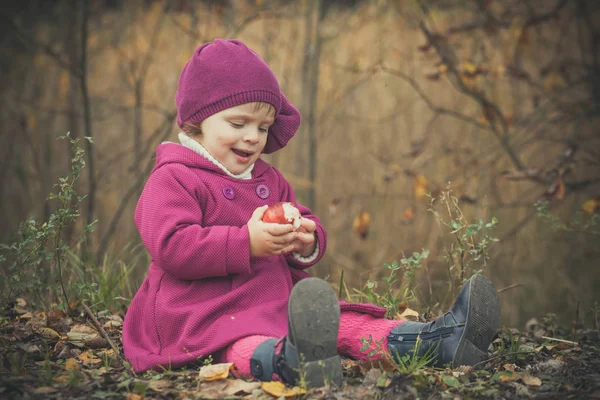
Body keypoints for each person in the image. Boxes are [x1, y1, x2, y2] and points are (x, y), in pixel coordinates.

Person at [122, 39, 501, 387]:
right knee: (242, 341)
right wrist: (245, 243)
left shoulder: (269, 180)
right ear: (196, 122)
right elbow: (172, 246)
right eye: (238, 124)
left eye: (263, 127)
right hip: (201, 313)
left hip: (273, 304)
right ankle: (288, 360)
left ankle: (434, 342)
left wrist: (305, 238)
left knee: (343, 323)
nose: (253, 137)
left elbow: (302, 218)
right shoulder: (174, 178)